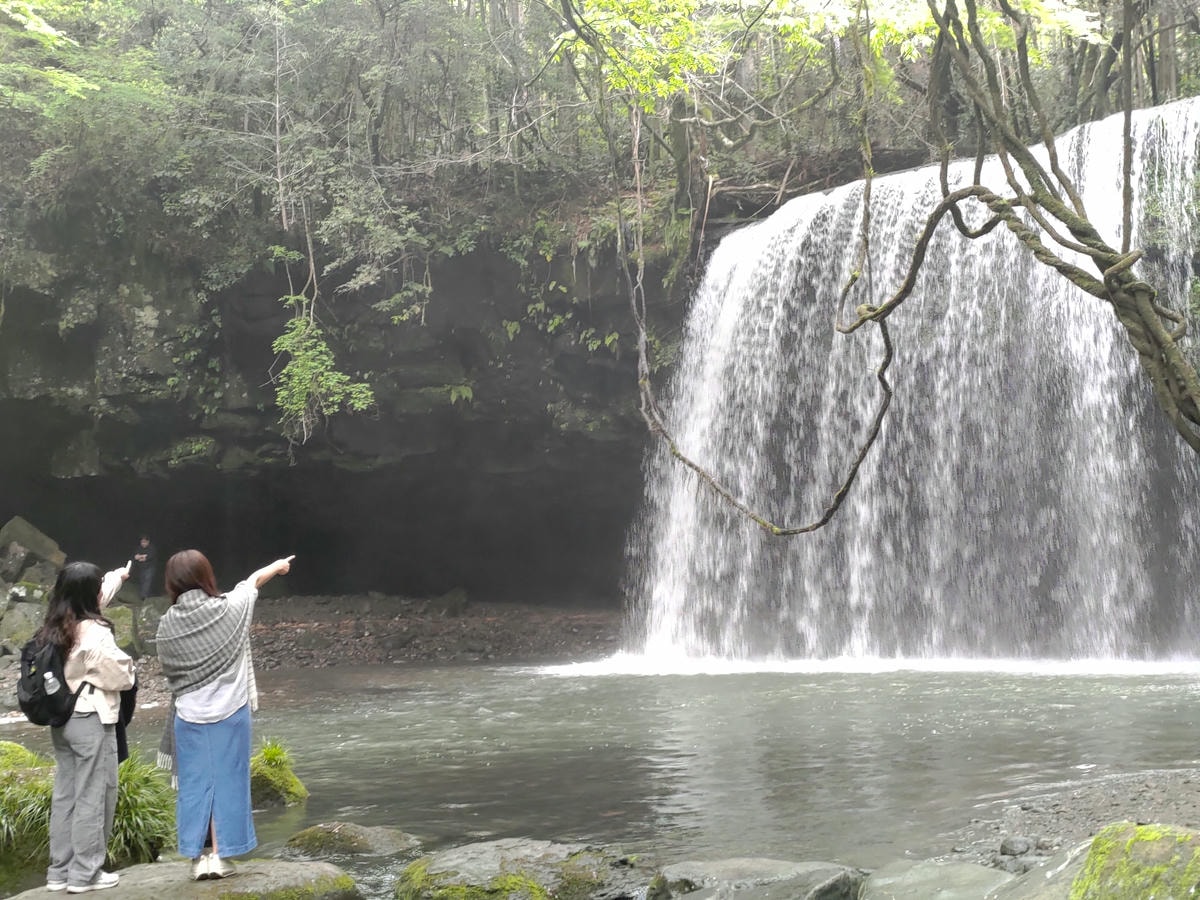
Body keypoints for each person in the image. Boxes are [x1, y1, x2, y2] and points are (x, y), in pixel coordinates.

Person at [154, 550, 294, 881]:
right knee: (228, 782)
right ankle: (220, 856)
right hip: (231, 713)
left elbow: (169, 672)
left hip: (188, 716)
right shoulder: (229, 609)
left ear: (172, 583)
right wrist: (276, 566)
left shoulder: (167, 624)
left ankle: (198, 858)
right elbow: (251, 583)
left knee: (194, 785)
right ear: (207, 577)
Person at [41, 560, 136, 894]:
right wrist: (131, 666)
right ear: (89, 595)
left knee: (66, 796)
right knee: (94, 797)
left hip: (63, 720)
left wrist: (117, 576)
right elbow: (121, 677)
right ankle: (86, 874)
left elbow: (97, 596)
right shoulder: (95, 633)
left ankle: (59, 872)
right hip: (91, 719)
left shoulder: (55, 621)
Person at [130, 535, 156, 602]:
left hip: (150, 568)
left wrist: (142, 557)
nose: (143, 543)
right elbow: (135, 557)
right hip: (141, 568)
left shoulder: (151, 548)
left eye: (144, 542)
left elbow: (150, 556)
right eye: (142, 542)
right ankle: (144, 595)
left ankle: (144, 596)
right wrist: (143, 556)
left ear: (148, 542)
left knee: (147, 581)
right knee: (142, 581)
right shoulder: (139, 548)